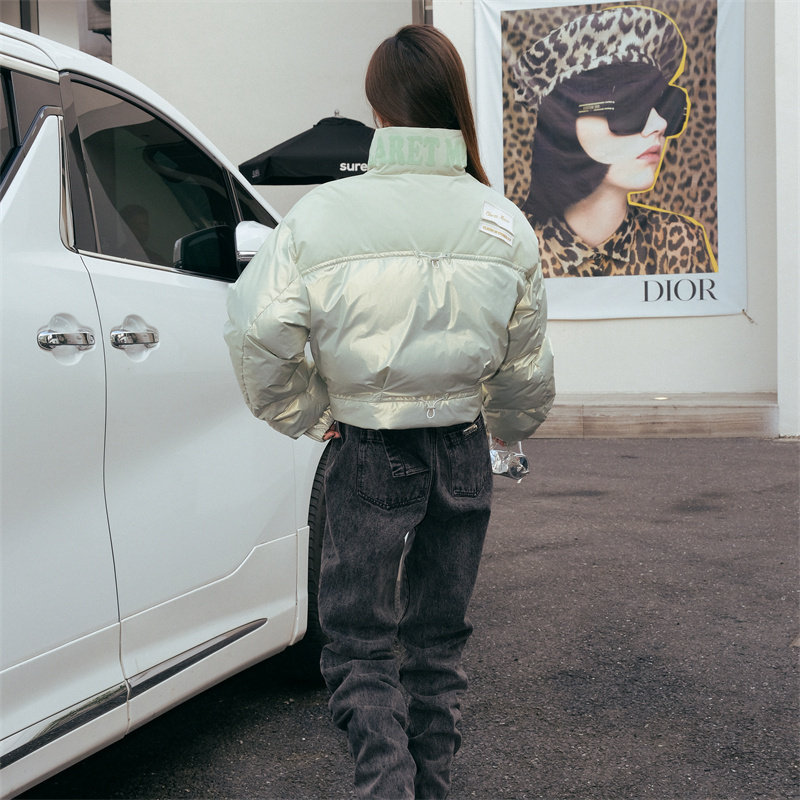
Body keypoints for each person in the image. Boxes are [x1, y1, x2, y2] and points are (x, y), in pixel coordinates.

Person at [225, 24, 554, 799]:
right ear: (452, 102)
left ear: (378, 108)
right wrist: (508, 428)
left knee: (360, 646)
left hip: (370, 447)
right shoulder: (501, 220)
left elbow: (255, 332)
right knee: (436, 648)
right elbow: (526, 366)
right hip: (463, 448)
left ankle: (386, 786)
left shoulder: (320, 216)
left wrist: (313, 411)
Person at [510, 5, 717, 278]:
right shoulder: (516, 247)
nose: (660, 124)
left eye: (664, 103)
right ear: (562, 123)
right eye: (631, 105)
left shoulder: (679, 244)